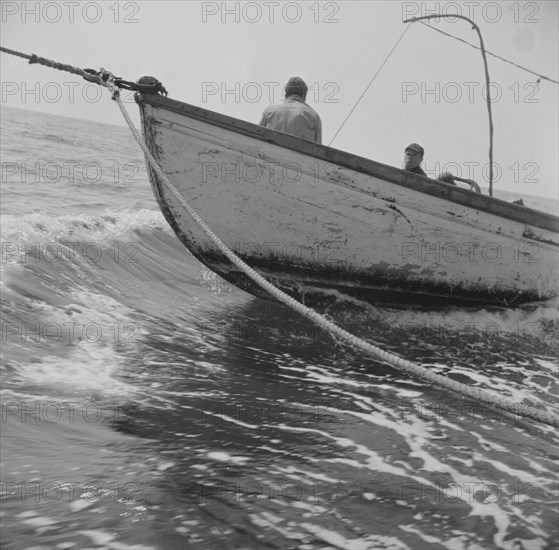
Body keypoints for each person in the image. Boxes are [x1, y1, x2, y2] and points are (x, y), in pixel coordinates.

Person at [259, 77, 322, 144]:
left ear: (286, 94)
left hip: (268, 152)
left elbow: (258, 135)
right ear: (304, 95)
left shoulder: (270, 109)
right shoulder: (313, 115)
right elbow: (319, 149)